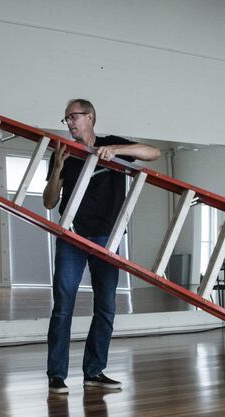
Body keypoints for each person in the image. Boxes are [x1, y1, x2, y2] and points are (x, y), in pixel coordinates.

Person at [43, 99, 160, 394]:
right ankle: (56, 375)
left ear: (90, 117)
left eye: (74, 116)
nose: (69, 122)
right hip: (72, 237)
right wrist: (57, 170)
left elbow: (153, 153)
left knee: (106, 307)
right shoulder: (63, 152)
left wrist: (116, 151)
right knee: (63, 308)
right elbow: (49, 201)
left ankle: (94, 372)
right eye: (66, 118)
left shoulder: (112, 144)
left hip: (108, 239)